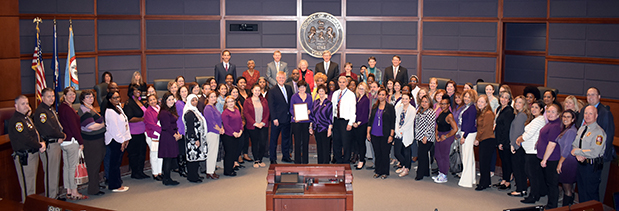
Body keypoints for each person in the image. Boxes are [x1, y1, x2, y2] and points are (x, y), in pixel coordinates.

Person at [575, 87, 615, 202]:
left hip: (597, 159)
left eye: (593, 94)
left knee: (593, 190)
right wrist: (579, 152)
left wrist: (600, 157)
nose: (590, 97)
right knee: (582, 189)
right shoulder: (584, 110)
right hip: (582, 157)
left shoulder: (605, 113)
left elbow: (608, 136)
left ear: (599, 97)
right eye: (588, 95)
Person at [10, 95, 46, 202]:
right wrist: (39, 145)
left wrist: (28, 116)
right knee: (28, 187)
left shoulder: (25, 118)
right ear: (16, 106)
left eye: (27, 103)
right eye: (23, 104)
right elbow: (25, 139)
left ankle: (32, 206)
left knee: (32, 185)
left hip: (32, 155)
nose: (26, 106)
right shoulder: (18, 121)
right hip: (25, 157)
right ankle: (27, 207)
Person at [33, 88, 65, 199]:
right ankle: (51, 199)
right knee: (50, 173)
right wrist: (62, 135)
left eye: (52, 96)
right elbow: (48, 130)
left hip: (55, 144)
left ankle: (54, 196)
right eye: (48, 96)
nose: (51, 98)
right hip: (49, 145)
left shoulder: (49, 109)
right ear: (42, 98)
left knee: (55, 171)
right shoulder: (42, 112)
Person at [572, 105, 607, 203]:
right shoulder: (582, 128)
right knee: (582, 192)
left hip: (592, 167)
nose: (587, 115)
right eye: (586, 113)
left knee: (590, 194)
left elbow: (594, 152)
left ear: (596, 116)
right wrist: (578, 154)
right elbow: (574, 144)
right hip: (581, 164)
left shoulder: (599, 132)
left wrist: (578, 152)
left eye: (590, 113)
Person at [57, 87, 87, 200]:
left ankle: (68, 190)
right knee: (73, 167)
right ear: (64, 96)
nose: (72, 97)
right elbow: (74, 128)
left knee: (67, 167)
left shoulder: (63, 107)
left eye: (73, 95)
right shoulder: (67, 109)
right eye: (69, 95)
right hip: (72, 141)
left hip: (65, 143)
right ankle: (74, 191)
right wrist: (81, 142)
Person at [77, 90, 106, 196]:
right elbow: (91, 127)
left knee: (97, 163)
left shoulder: (91, 108)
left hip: (98, 139)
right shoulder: (84, 110)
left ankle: (96, 184)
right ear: (82, 99)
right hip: (91, 142)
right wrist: (103, 124)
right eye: (88, 97)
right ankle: (93, 189)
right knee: (93, 165)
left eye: (92, 96)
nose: (91, 98)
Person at [535, 103, 563, 208]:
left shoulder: (556, 126)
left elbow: (552, 144)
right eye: (548, 111)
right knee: (548, 182)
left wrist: (544, 160)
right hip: (545, 158)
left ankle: (552, 206)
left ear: (558, 114)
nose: (550, 114)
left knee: (552, 184)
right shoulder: (550, 123)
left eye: (553, 112)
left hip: (551, 159)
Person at [518, 101, 546, 204]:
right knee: (533, 174)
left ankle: (533, 196)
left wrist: (520, 139)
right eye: (532, 107)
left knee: (532, 175)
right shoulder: (536, 119)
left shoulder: (539, 120)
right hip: (529, 150)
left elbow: (529, 134)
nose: (533, 109)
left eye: (536, 108)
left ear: (541, 109)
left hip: (533, 151)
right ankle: (538, 193)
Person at [104, 91, 130, 192]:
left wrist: (126, 138)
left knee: (117, 162)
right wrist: (122, 141)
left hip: (121, 139)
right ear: (110, 99)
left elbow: (125, 122)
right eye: (114, 98)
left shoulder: (118, 107)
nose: (117, 99)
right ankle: (114, 185)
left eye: (118, 97)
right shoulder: (110, 111)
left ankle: (117, 182)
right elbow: (114, 129)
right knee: (114, 163)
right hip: (115, 140)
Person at [367, 88, 395, 179]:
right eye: (380, 94)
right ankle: (378, 171)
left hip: (385, 134)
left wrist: (391, 135)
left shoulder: (390, 107)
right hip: (374, 133)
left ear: (386, 96)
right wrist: (368, 133)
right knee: (377, 153)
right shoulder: (375, 106)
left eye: (383, 95)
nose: (381, 96)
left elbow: (392, 122)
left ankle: (385, 172)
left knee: (385, 154)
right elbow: (370, 121)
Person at [123, 85, 149, 179]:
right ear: (131, 91)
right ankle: (135, 172)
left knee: (142, 152)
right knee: (134, 153)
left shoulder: (139, 101)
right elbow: (129, 118)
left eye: (139, 90)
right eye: (136, 90)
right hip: (134, 133)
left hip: (142, 131)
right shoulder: (129, 103)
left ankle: (140, 171)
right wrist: (142, 119)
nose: (138, 91)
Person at [268, 71, 294, 164]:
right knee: (274, 139)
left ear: (285, 78)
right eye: (280, 78)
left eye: (283, 78)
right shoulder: (272, 90)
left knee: (286, 139)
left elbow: (291, 102)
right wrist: (274, 118)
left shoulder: (289, 88)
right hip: (277, 120)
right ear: (276, 78)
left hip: (287, 119)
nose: (281, 79)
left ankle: (286, 156)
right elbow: (271, 105)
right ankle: (273, 158)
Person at [508, 96, 531, 197]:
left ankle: (520, 189)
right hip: (519, 146)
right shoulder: (520, 114)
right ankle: (523, 189)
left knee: (518, 169)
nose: (517, 104)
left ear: (524, 104)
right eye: (516, 102)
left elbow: (517, 132)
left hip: (517, 146)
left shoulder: (521, 115)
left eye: (520, 102)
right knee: (520, 169)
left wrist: (512, 145)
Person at [182, 94, 208, 183]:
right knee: (192, 159)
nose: (194, 102)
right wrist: (195, 139)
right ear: (189, 101)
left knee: (196, 158)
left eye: (196, 100)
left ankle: (195, 175)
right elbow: (190, 128)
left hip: (198, 138)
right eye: (192, 101)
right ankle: (192, 177)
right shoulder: (188, 113)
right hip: (192, 139)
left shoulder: (195, 111)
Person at [158, 92, 182, 186]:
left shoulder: (171, 110)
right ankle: (167, 179)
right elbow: (166, 126)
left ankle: (167, 177)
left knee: (169, 158)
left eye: (172, 99)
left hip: (171, 135)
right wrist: (175, 134)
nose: (171, 101)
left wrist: (177, 133)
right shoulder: (164, 112)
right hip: (167, 136)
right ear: (165, 101)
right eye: (169, 100)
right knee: (167, 158)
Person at [332, 76, 357, 164]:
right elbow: (333, 108)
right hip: (336, 120)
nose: (342, 84)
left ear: (346, 83)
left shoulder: (351, 94)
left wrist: (351, 123)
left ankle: (346, 161)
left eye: (343, 82)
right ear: (338, 83)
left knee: (346, 143)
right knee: (336, 142)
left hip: (346, 121)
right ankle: (338, 160)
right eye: (340, 82)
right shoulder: (335, 93)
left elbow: (353, 110)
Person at [474, 94, 496, 191]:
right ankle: (486, 182)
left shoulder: (488, 113)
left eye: (482, 102)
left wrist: (477, 139)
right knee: (484, 163)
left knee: (484, 163)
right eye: (479, 101)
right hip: (484, 139)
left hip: (488, 140)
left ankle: (483, 183)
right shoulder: (481, 112)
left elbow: (484, 128)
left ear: (487, 103)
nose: (480, 103)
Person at [244, 84, 270, 168]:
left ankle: (260, 159)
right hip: (253, 126)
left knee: (262, 143)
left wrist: (263, 122)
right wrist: (255, 123)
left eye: (259, 90)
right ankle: (256, 160)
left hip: (263, 125)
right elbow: (246, 114)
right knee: (255, 143)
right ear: (252, 90)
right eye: (255, 90)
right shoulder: (247, 101)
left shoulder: (264, 100)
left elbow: (267, 113)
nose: (257, 92)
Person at [556, 109, 578, 206]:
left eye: (568, 117)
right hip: (565, 160)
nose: (565, 119)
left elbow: (567, 149)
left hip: (568, 162)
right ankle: (569, 206)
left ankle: (565, 208)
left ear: (573, 119)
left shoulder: (571, 131)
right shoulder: (566, 130)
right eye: (564, 116)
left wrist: (560, 163)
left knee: (567, 188)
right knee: (568, 187)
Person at [434, 95, 458, 183]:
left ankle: (444, 175)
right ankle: (441, 172)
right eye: (441, 104)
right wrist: (436, 134)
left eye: (445, 104)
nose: (443, 105)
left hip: (446, 137)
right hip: (439, 135)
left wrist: (446, 136)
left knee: (444, 156)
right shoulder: (441, 112)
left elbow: (455, 129)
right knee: (437, 155)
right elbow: (437, 124)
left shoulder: (449, 116)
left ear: (448, 105)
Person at [494, 91, 515, 190]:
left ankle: (507, 182)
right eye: (502, 97)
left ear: (509, 100)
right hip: (499, 138)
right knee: (503, 160)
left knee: (507, 161)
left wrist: (502, 142)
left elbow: (506, 128)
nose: (503, 99)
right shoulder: (499, 109)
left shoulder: (509, 111)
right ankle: (503, 179)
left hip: (505, 140)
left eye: (506, 98)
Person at [457, 89, 478, 188]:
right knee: (469, 156)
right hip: (465, 132)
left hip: (468, 134)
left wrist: (464, 136)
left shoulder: (472, 108)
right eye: (465, 96)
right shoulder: (466, 107)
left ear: (472, 98)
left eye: (469, 97)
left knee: (466, 157)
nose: (466, 98)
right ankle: (472, 178)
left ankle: (466, 181)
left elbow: (470, 124)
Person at [289, 80, 313, 164]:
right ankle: (297, 161)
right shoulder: (294, 97)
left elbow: (312, 108)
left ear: (306, 88)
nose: (302, 88)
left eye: (303, 87)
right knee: (297, 141)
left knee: (305, 141)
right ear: (298, 88)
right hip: (297, 122)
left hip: (306, 122)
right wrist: (295, 117)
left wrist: (310, 111)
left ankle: (305, 160)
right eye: (300, 87)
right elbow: (291, 109)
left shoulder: (309, 96)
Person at [393, 93, 416, 177]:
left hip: (407, 133)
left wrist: (402, 130)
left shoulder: (412, 109)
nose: (404, 100)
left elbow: (410, 122)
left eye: (406, 99)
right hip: (398, 133)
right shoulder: (399, 108)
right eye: (403, 98)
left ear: (410, 99)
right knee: (397, 152)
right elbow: (396, 120)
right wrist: (398, 131)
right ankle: (403, 165)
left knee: (407, 152)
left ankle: (406, 168)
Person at [203, 91, 223, 179]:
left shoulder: (213, 107)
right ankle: (209, 172)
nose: (213, 98)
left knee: (214, 153)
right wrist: (220, 129)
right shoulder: (208, 108)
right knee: (211, 153)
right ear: (207, 98)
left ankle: (211, 170)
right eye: (211, 97)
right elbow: (212, 122)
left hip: (216, 132)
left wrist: (221, 128)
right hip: (211, 132)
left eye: (215, 96)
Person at [414, 95, 436, 180]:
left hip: (427, 137)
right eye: (422, 101)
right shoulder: (421, 110)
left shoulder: (431, 112)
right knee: (424, 155)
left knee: (421, 155)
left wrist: (426, 136)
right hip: (420, 136)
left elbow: (431, 125)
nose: (424, 103)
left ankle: (420, 174)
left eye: (426, 102)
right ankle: (426, 172)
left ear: (429, 103)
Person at [222, 96, 243, 176]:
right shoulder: (225, 113)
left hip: (238, 134)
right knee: (229, 153)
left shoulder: (237, 111)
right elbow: (226, 125)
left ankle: (232, 167)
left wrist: (241, 130)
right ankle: (227, 171)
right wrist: (233, 132)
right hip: (229, 136)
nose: (231, 103)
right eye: (229, 102)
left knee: (234, 152)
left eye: (232, 101)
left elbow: (241, 121)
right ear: (226, 104)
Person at [144, 94, 163, 181]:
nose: (153, 101)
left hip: (160, 133)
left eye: (154, 99)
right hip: (153, 134)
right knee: (154, 154)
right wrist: (162, 131)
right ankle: (155, 173)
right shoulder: (148, 112)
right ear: (148, 102)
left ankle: (160, 172)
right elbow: (152, 125)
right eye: (150, 100)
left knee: (160, 154)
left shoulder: (159, 108)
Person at [352, 82, 370, 169]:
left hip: (362, 124)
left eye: (362, 89)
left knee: (361, 143)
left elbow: (364, 113)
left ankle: (362, 160)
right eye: (359, 88)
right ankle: (360, 159)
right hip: (355, 124)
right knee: (356, 143)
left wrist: (358, 123)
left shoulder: (366, 99)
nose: (360, 90)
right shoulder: (357, 98)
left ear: (366, 90)